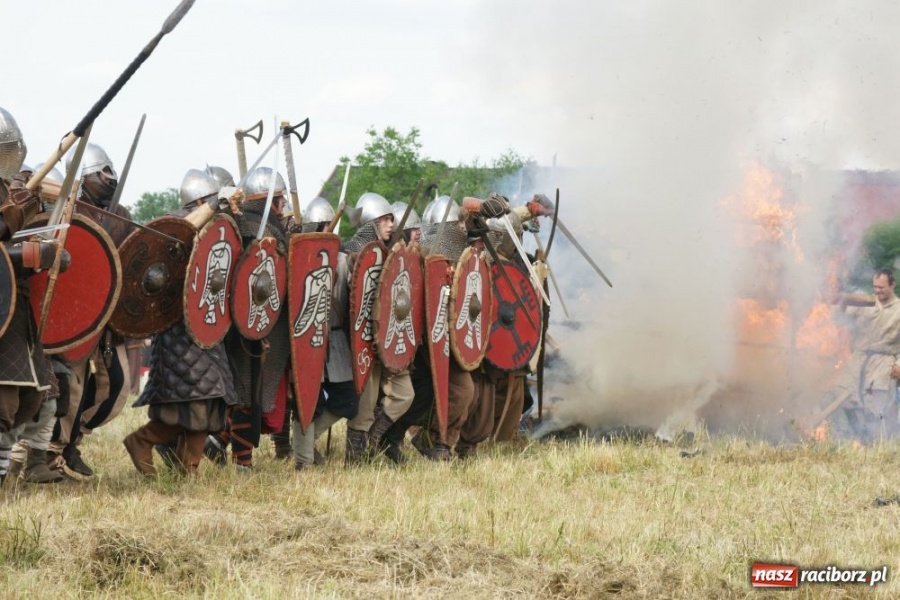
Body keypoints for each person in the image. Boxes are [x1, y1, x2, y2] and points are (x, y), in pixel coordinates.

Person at [123, 169, 237, 475]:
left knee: (212, 402)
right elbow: (180, 235)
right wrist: (213, 207)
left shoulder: (217, 227)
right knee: (190, 403)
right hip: (177, 332)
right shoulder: (174, 225)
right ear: (201, 199)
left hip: (207, 328)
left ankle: (189, 468)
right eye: (213, 198)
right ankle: (141, 440)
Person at [49, 143, 133, 478]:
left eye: (111, 171)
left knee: (118, 386)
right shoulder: (70, 210)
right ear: (84, 176)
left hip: (110, 316)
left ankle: (75, 439)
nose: (110, 178)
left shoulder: (122, 215)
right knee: (72, 387)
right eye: (103, 172)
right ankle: (55, 451)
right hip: (75, 314)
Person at [0, 107, 66, 484]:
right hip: (4, 310)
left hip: (15, 311)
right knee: (5, 404)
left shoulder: (9, 190)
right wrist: (27, 253)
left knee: (30, 401)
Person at [342, 192, 415, 462]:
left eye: (391, 220)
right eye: (384, 220)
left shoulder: (390, 254)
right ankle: (355, 458)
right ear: (370, 224)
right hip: (364, 342)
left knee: (405, 394)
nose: (391, 225)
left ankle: (374, 439)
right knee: (364, 405)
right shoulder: (352, 257)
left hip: (389, 340)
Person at [291, 197, 362, 469]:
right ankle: (303, 460)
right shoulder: (296, 259)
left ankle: (307, 442)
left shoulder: (344, 260)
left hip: (336, 341)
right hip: (304, 340)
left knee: (348, 398)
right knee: (307, 400)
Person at [826, 268, 900, 441]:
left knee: (875, 402)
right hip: (859, 357)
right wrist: (841, 303)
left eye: (881, 287)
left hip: (884, 360)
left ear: (892, 285)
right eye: (875, 287)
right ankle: (859, 435)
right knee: (840, 390)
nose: (877, 291)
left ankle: (879, 444)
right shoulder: (864, 304)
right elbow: (839, 319)